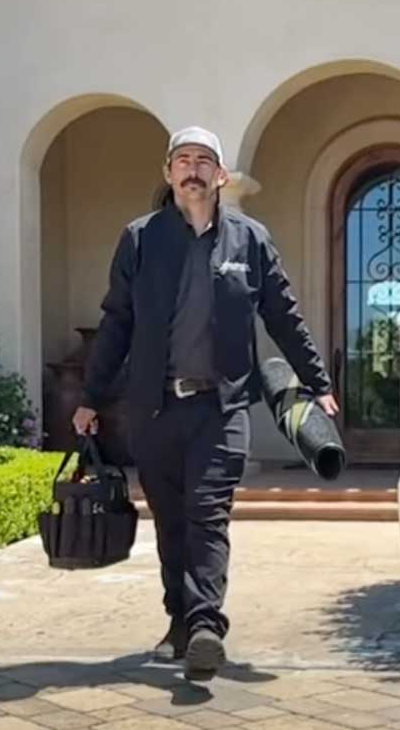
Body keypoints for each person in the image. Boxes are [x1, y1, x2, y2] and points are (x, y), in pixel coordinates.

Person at [73, 126, 338, 681]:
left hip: (222, 407)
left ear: (221, 176)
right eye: (182, 160)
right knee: (171, 524)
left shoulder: (250, 241)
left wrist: (317, 383)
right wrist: (91, 396)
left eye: (203, 161)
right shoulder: (141, 239)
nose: (192, 170)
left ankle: (205, 628)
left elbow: (283, 317)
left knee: (208, 515)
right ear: (168, 172)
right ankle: (180, 620)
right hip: (154, 409)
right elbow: (117, 321)